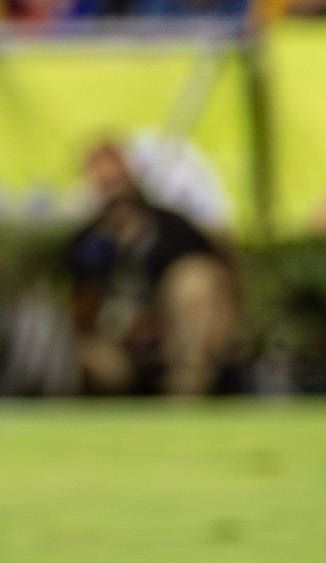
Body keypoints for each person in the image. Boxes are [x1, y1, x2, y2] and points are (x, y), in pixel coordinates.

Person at [65, 139, 235, 400]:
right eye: (103, 180)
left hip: (172, 338)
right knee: (97, 364)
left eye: (117, 177)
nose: (112, 186)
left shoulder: (170, 227)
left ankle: (186, 396)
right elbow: (81, 311)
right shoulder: (87, 241)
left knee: (196, 279)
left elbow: (213, 270)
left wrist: (156, 320)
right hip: (118, 348)